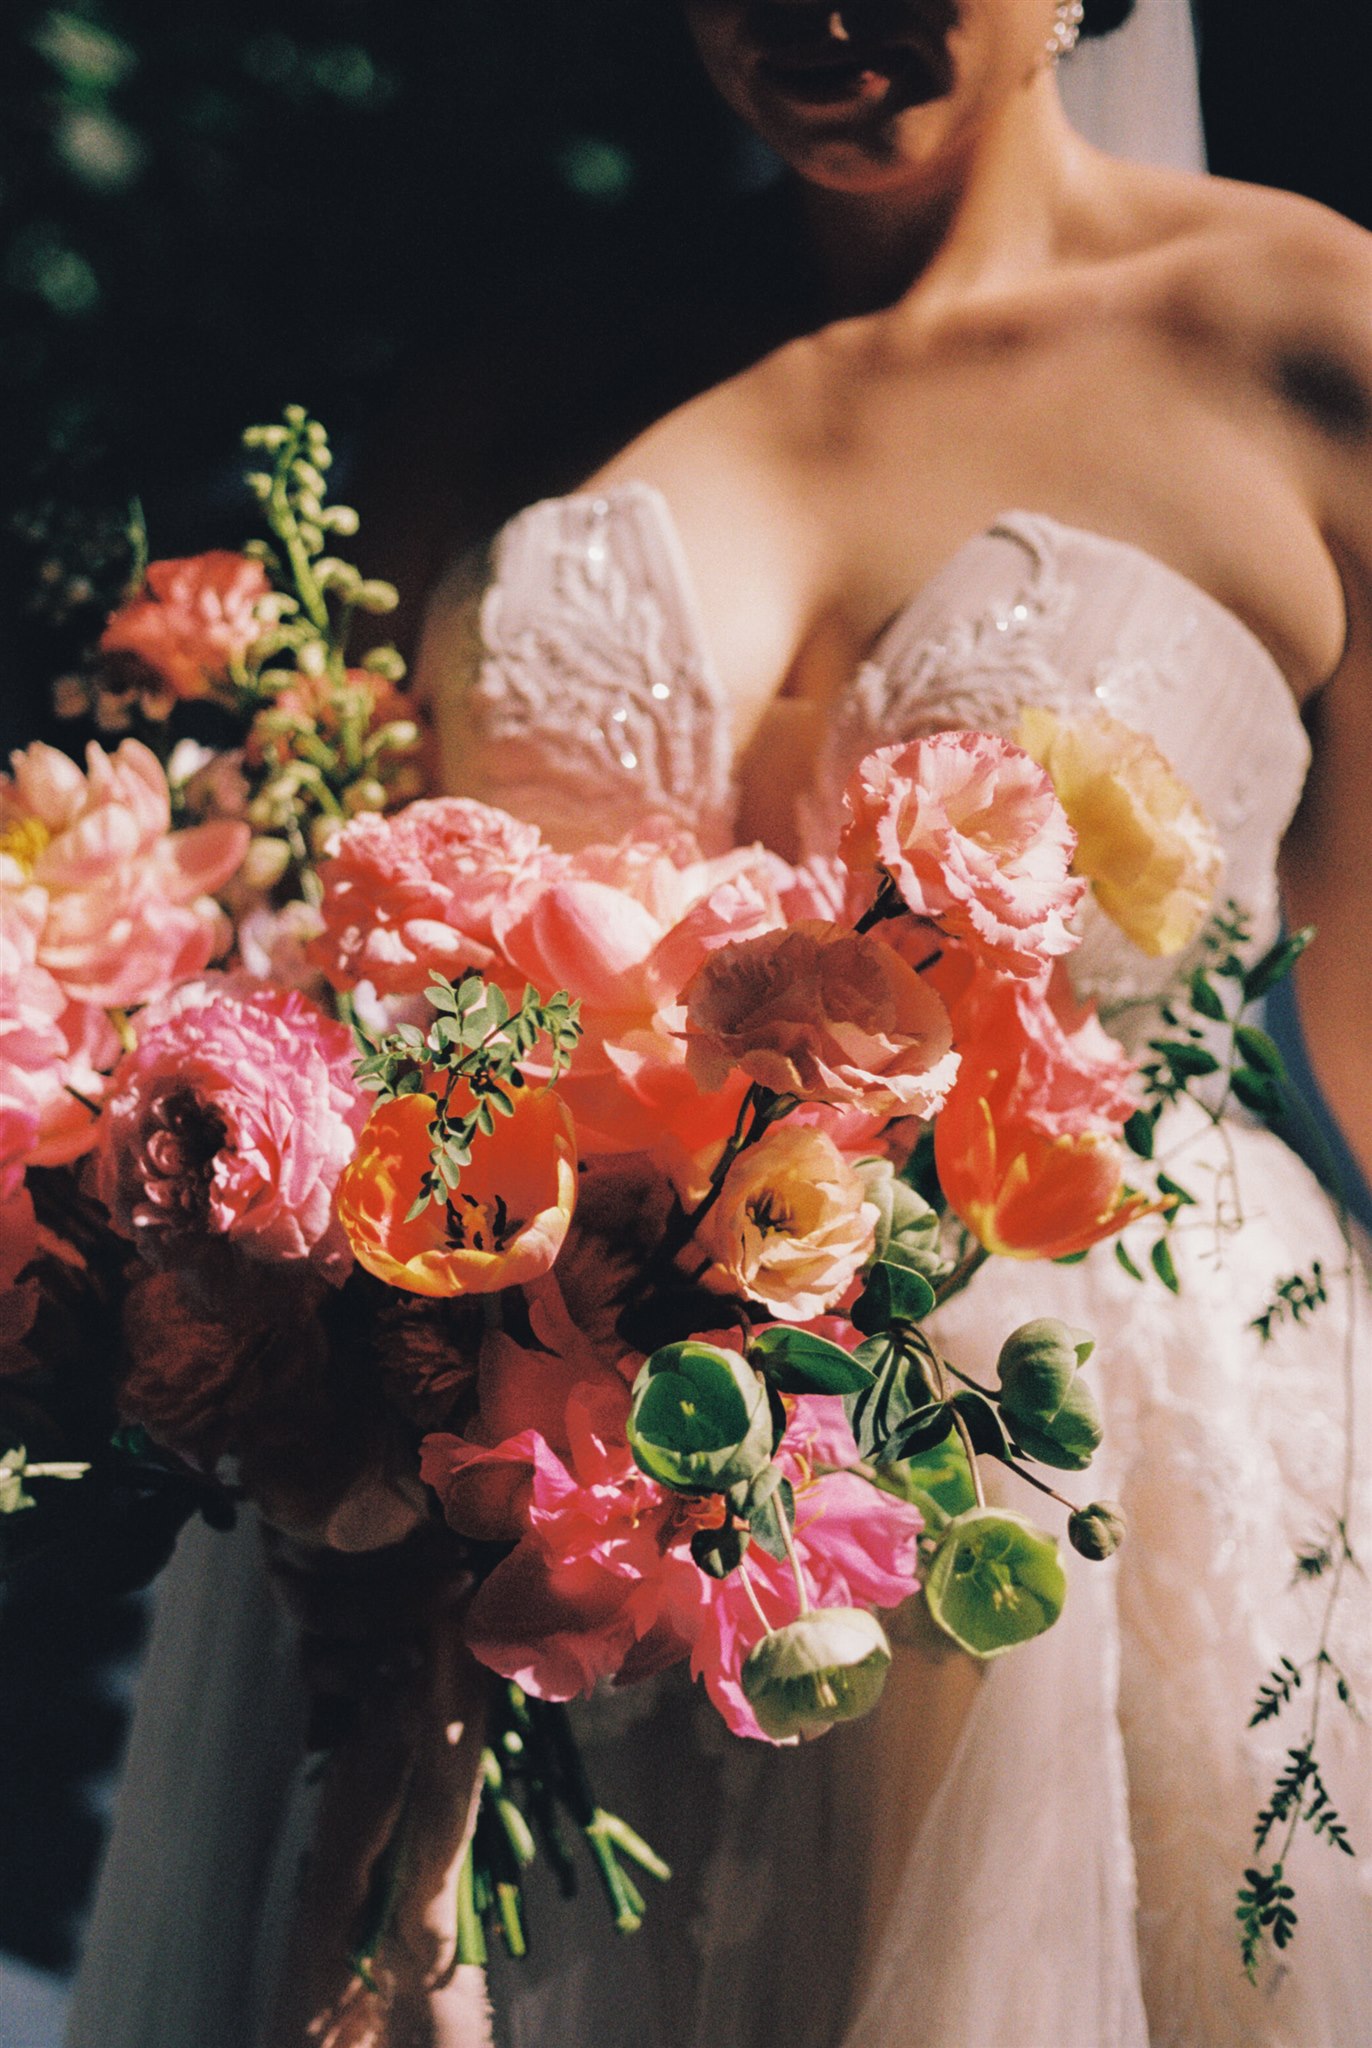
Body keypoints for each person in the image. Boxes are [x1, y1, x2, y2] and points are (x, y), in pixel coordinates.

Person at [70, 3, 1372, 2044]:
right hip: (498, 1510)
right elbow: (313, 955)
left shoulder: (1311, 343)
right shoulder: (525, 366)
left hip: (1067, 1515)